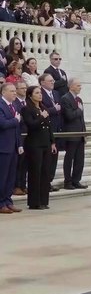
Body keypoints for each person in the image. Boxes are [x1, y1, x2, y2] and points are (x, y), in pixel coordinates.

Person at [22, 86, 56, 209]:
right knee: (35, 172)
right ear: (30, 95)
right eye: (37, 93)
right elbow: (31, 125)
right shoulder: (27, 109)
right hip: (35, 144)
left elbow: (49, 127)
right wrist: (41, 117)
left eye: (40, 92)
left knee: (45, 172)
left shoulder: (43, 108)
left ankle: (43, 200)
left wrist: (52, 142)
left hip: (46, 143)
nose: (40, 95)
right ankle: (34, 202)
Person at [0, 83, 23, 214]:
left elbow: (17, 128)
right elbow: (2, 124)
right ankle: (1, 202)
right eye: (12, 91)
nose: (15, 93)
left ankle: (8, 200)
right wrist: (15, 120)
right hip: (3, 147)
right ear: (4, 92)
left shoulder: (13, 105)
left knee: (10, 177)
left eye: (15, 91)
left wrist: (19, 144)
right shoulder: (1, 105)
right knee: (2, 176)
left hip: (13, 146)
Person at [60, 78, 87, 190]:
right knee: (69, 158)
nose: (80, 87)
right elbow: (69, 116)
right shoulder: (65, 98)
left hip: (80, 133)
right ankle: (68, 181)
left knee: (80, 159)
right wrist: (79, 110)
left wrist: (84, 133)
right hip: (71, 133)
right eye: (78, 85)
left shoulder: (79, 99)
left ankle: (76, 180)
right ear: (71, 86)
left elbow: (82, 118)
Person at [39, 73, 63, 192]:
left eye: (53, 81)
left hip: (57, 129)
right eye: (50, 81)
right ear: (42, 82)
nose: (53, 82)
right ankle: (44, 182)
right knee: (47, 158)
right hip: (46, 130)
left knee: (54, 157)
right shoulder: (39, 93)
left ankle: (50, 180)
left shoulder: (56, 93)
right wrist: (54, 109)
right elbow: (41, 110)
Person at [12, 81, 28, 196]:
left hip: (29, 135)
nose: (24, 90)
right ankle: (17, 186)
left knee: (25, 162)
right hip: (20, 134)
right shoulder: (15, 102)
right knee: (19, 162)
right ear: (17, 90)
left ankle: (23, 185)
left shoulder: (28, 102)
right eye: (22, 88)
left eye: (25, 88)